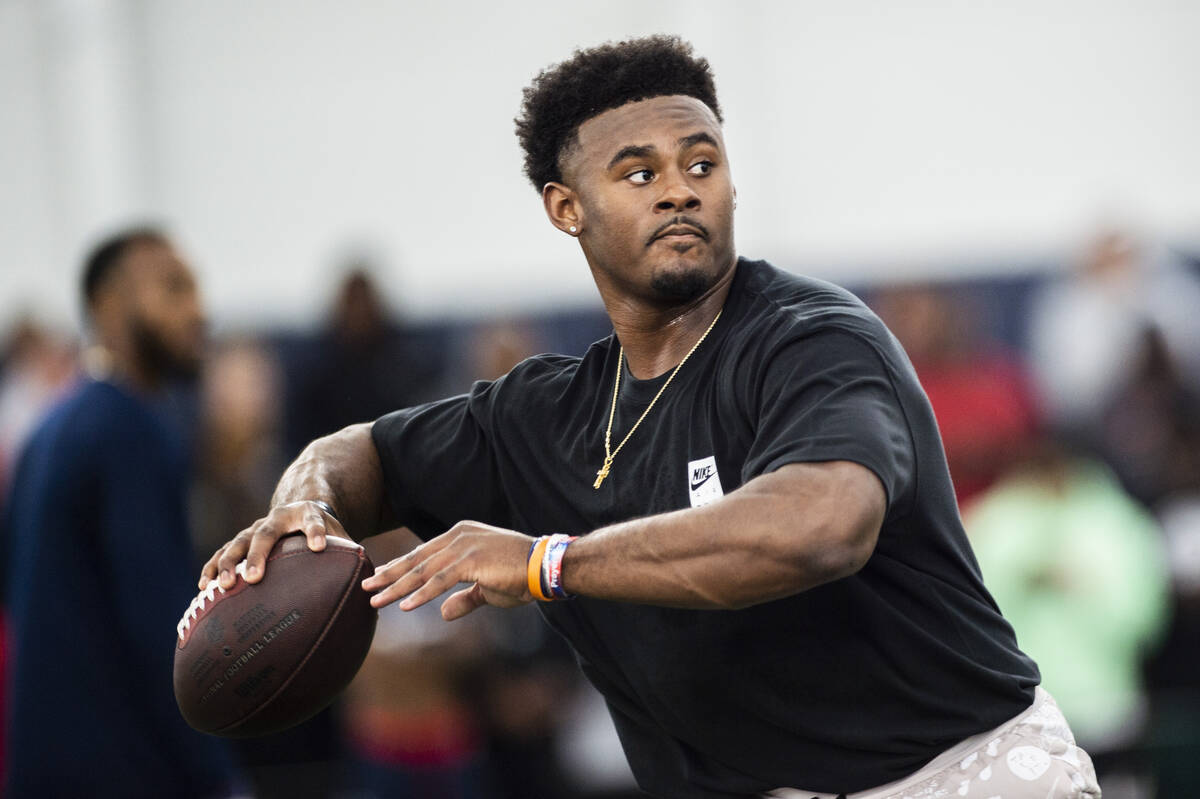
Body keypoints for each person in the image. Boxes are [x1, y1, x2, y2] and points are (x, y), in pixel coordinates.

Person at [198, 37, 1099, 799]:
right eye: (640, 172)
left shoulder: (813, 338)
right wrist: (304, 507)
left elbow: (824, 524)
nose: (680, 189)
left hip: (957, 771)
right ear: (567, 207)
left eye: (701, 163)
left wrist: (550, 562)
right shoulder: (544, 412)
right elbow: (356, 455)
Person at [3, 229, 241, 798]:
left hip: (42, 763)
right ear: (108, 305)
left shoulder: (51, 425)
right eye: (173, 289)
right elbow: (161, 626)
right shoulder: (130, 429)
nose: (197, 311)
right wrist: (216, 774)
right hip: (123, 768)